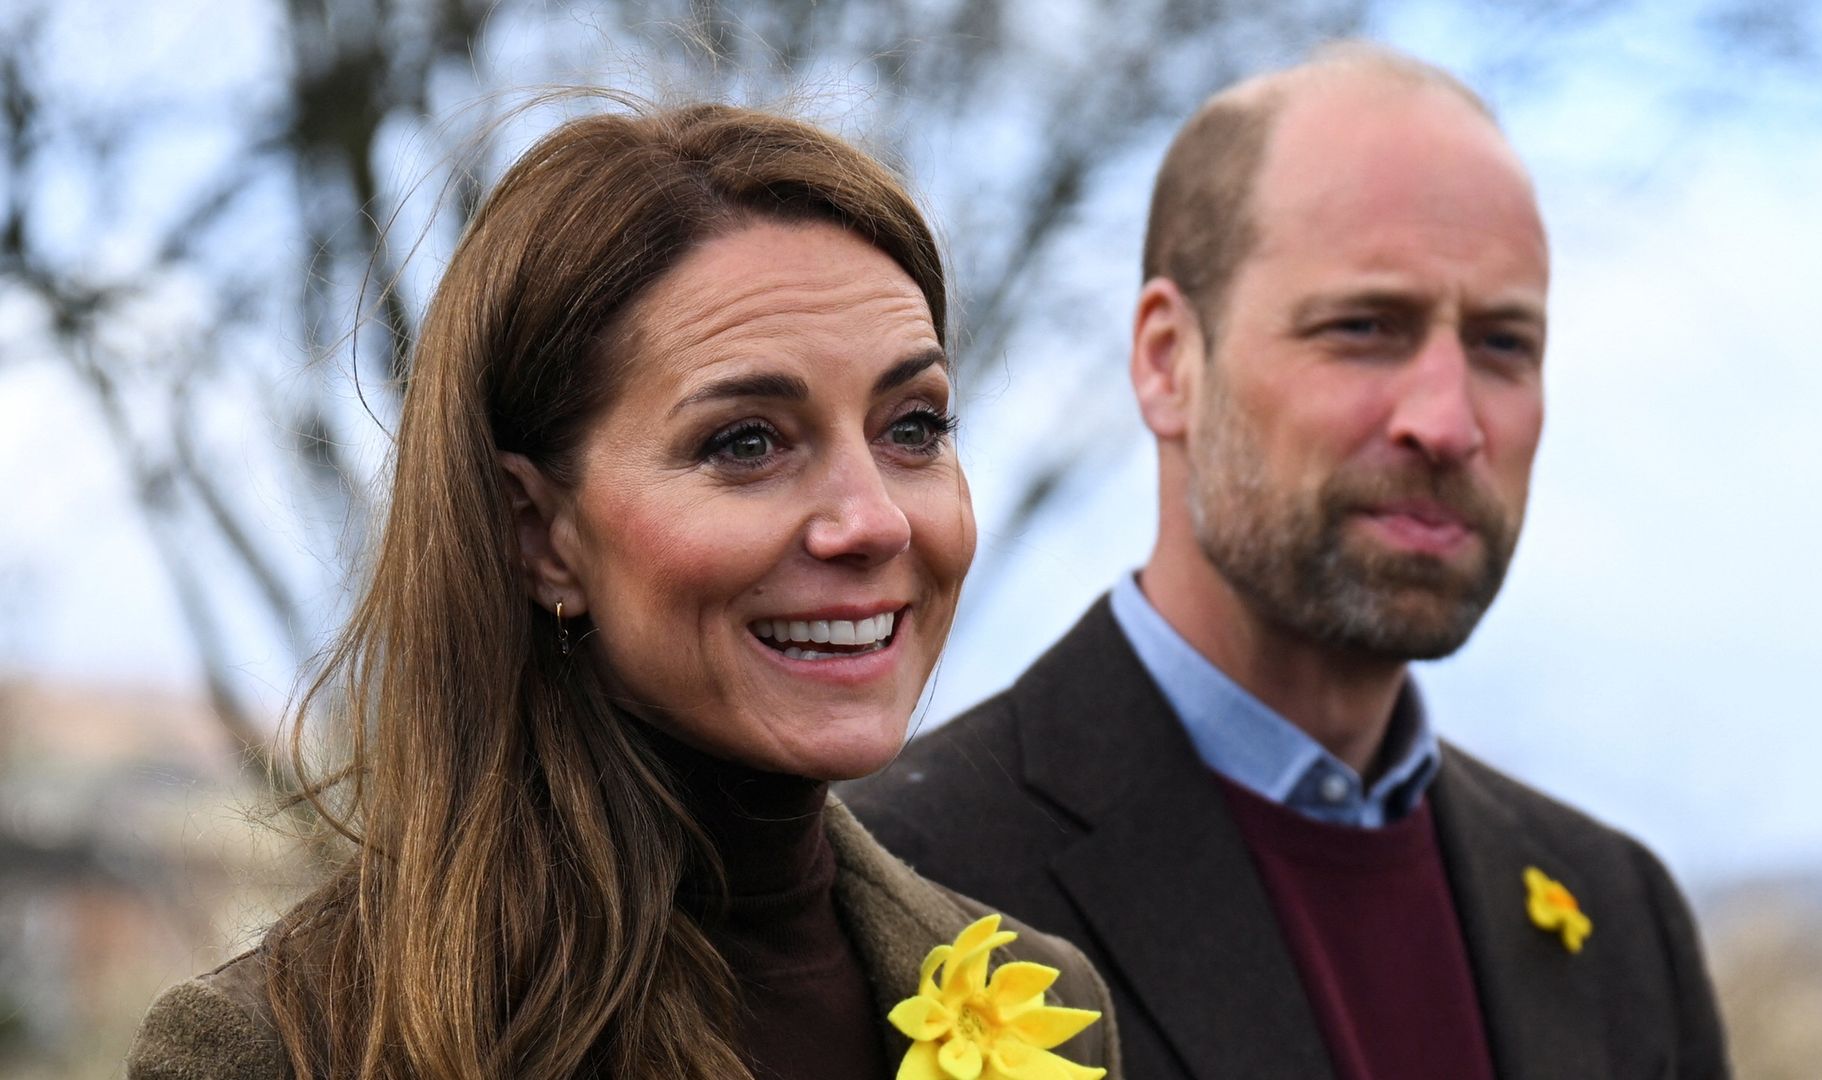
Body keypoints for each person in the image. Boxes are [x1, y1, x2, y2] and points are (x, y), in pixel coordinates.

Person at [126, 101, 1118, 1080]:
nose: (874, 521)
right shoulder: (290, 1050)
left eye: (913, 427)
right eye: (747, 442)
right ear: (540, 536)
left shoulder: (1047, 1005)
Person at [842, 43, 1730, 1080]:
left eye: (1502, 345)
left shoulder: (1621, 920)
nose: (1447, 422)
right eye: (1363, 327)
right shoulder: (895, 887)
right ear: (1169, 362)